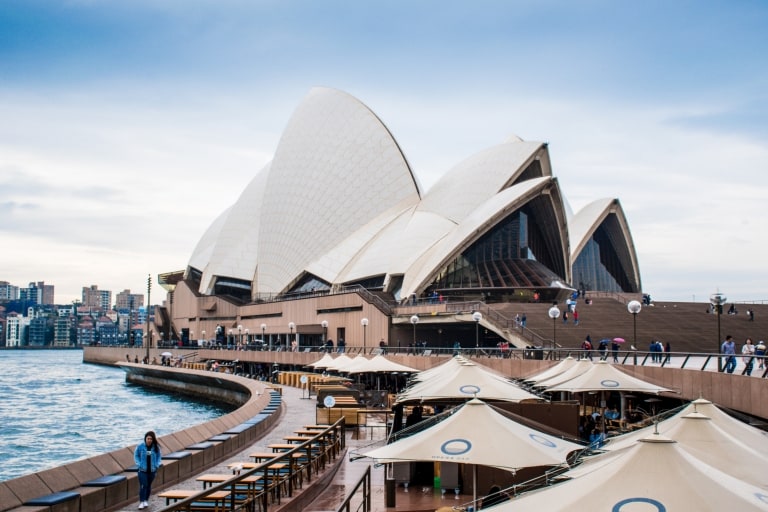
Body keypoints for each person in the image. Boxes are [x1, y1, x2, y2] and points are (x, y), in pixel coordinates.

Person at [134, 430, 161, 509]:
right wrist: (139, 465)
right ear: (145, 439)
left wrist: (157, 465)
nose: (149, 440)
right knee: (143, 485)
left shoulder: (156, 448)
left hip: (152, 470)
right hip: (142, 470)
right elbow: (136, 456)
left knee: (148, 485)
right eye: (148, 438)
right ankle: (141, 501)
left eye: (151, 439)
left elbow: (159, 457)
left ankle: (146, 500)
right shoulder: (140, 446)